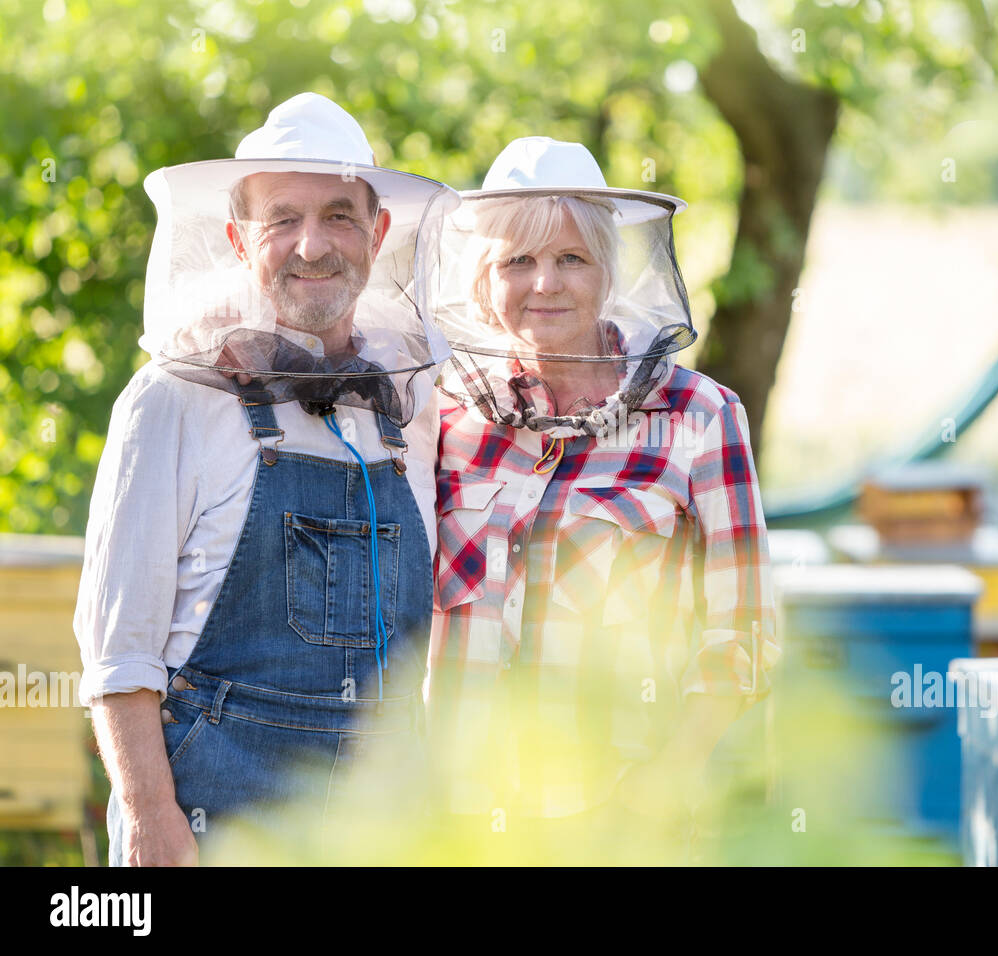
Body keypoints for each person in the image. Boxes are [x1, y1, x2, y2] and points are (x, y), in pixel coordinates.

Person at [74, 93, 459, 865]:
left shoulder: (412, 409)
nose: (311, 245)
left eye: (340, 215)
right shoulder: (172, 399)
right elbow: (118, 653)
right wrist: (150, 817)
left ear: (378, 234)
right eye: (282, 218)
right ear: (239, 240)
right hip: (211, 819)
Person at [417, 137, 780, 857]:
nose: (544, 282)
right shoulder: (439, 414)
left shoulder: (700, 417)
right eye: (517, 260)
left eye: (570, 258)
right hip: (458, 816)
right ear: (484, 278)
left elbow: (743, 640)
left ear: (607, 271)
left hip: (619, 816)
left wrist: (662, 787)